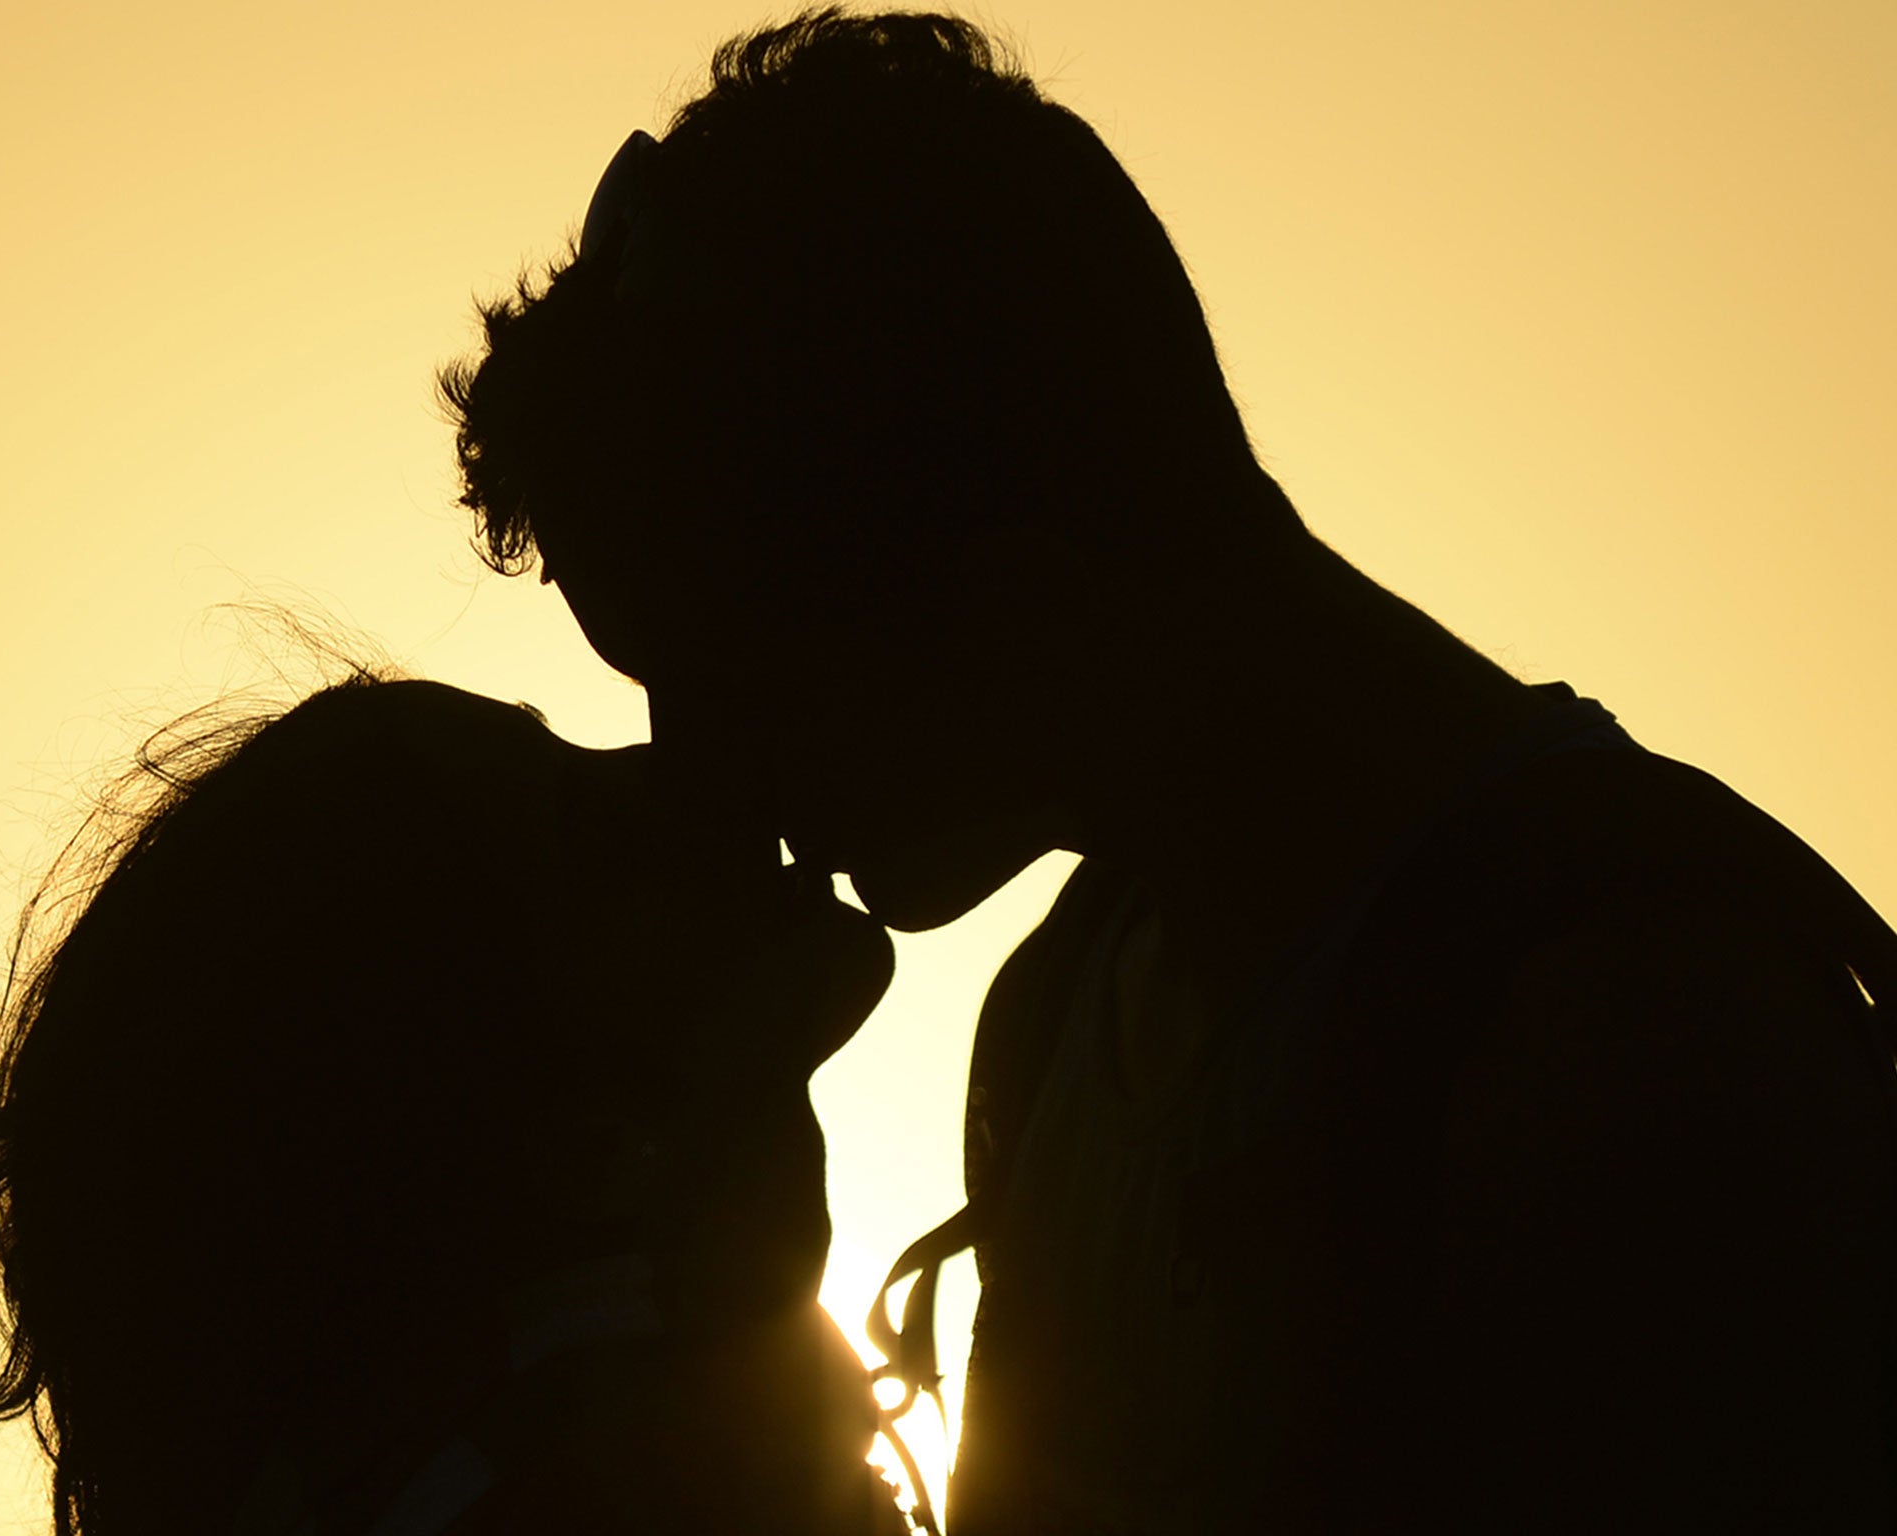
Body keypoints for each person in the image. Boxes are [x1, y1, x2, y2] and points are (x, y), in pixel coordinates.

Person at [438, 8, 1897, 1531]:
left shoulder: (1622, 1040)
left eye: (721, 679)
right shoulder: (1060, 1022)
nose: (706, 783)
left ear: (986, 583)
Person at [0, 673, 912, 1536]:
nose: (660, 770)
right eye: (590, 834)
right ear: (556, 1129)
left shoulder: (519, 1450)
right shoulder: (619, 1483)